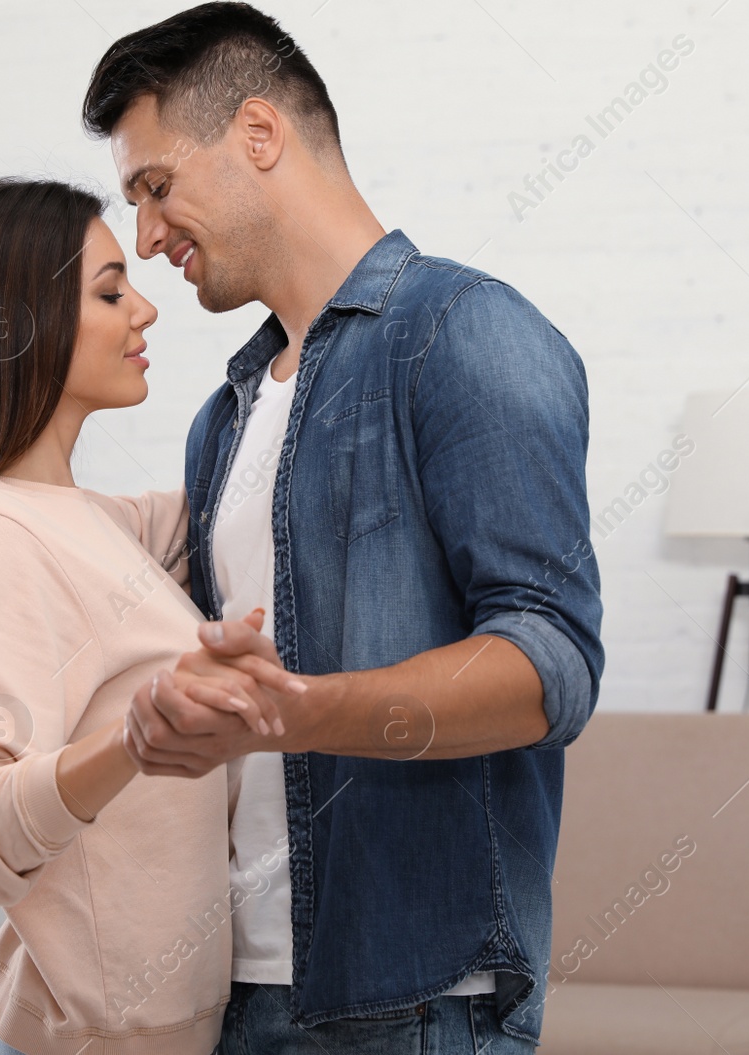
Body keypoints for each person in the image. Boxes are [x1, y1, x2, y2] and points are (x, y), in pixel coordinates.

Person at [83, 5, 606, 1053]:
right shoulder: (222, 417)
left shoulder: (462, 331)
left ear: (259, 135)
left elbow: (551, 663)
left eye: (154, 187)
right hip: (237, 986)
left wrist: (300, 710)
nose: (146, 236)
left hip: (414, 1001)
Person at [0, 177, 302, 1055]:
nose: (144, 308)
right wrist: (128, 745)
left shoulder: (95, 523)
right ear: (15, 324)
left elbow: (252, 493)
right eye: (109, 291)